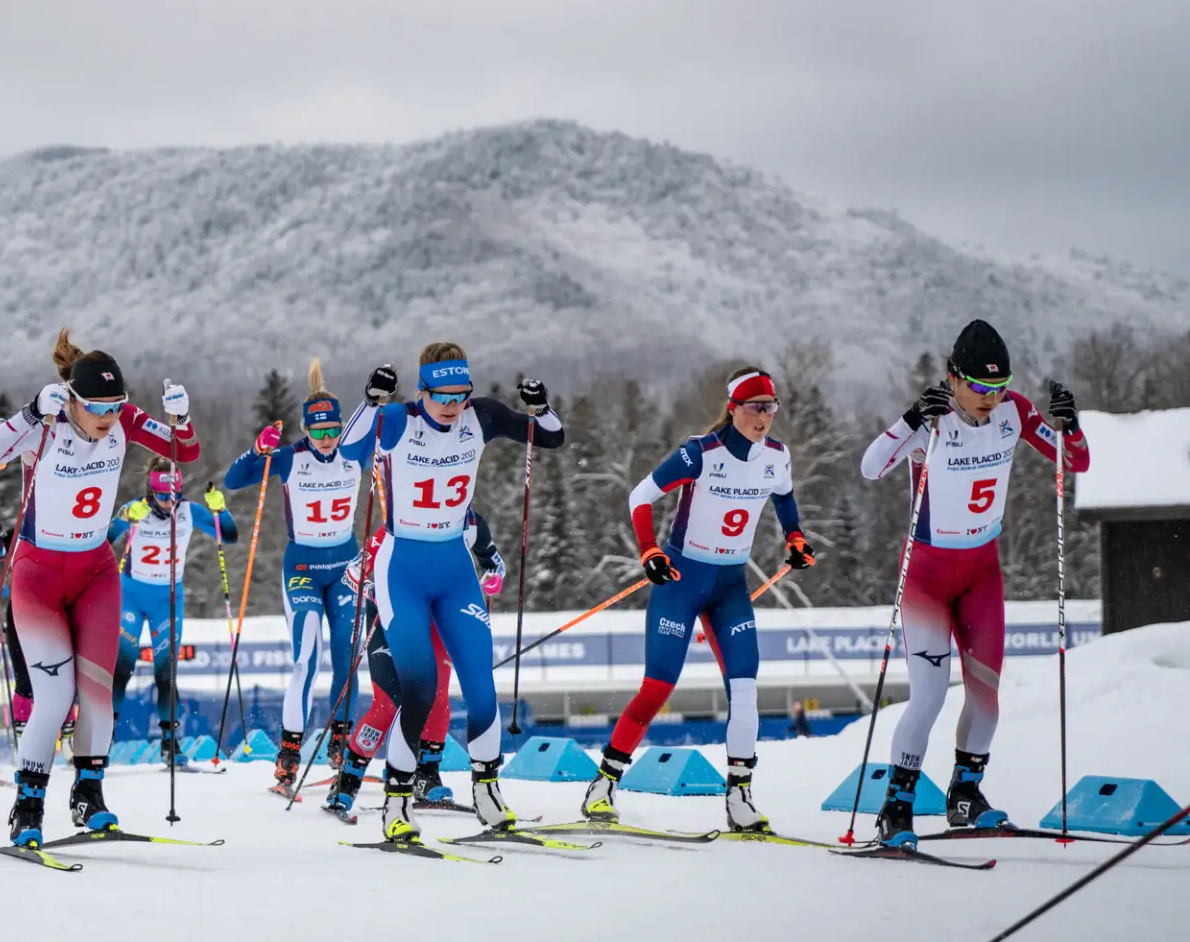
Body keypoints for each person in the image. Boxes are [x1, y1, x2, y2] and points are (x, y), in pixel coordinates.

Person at [859, 319, 1088, 847]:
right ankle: (897, 805)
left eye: (1000, 387)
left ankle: (966, 795)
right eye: (981, 388)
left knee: (986, 698)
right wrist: (910, 418)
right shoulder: (933, 420)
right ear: (953, 377)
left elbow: (1075, 461)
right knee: (930, 697)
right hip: (928, 578)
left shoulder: (1015, 411)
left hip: (982, 574)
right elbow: (872, 468)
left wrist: (1070, 426)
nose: (991, 399)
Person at [0, 328, 199, 848]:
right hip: (38, 573)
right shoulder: (47, 423)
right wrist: (31, 411)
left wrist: (181, 418)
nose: (107, 416)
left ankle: (89, 794)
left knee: (97, 693)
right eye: (96, 406)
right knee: (54, 696)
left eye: (115, 405)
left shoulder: (123, 420)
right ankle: (28, 804)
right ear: (72, 399)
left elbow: (181, 452)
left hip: (96, 571)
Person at [337, 345, 563, 841]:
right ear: (423, 391)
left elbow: (550, 438)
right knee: (417, 690)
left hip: (455, 568)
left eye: (460, 394)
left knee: (481, 686)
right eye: (441, 395)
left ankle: (487, 788)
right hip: (403, 569)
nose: (452, 405)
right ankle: (396, 801)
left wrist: (539, 407)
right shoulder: (400, 419)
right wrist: (371, 402)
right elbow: (349, 450)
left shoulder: (479, 418)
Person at [580, 367, 812, 834]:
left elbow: (784, 499)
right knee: (659, 687)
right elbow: (639, 496)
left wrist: (795, 537)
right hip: (682, 579)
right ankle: (604, 783)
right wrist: (649, 551)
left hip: (730, 585)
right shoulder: (701, 452)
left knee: (745, 687)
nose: (764, 417)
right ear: (734, 408)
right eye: (755, 407)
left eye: (770, 408)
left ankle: (740, 796)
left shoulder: (776, 457)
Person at [223, 359, 364, 788]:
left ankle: (340, 742)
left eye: (333, 430)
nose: (325, 439)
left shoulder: (355, 453)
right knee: (306, 654)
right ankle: (289, 752)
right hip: (302, 565)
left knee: (347, 658)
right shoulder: (291, 459)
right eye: (317, 431)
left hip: (346, 566)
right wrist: (257, 451)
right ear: (305, 429)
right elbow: (233, 479)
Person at [325, 509, 505, 816]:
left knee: (437, 698)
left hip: (439, 619)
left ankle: (426, 775)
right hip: (391, 618)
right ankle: (348, 780)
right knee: (388, 705)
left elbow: (494, 566)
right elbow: (352, 574)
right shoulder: (403, 524)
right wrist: (375, 591)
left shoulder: (471, 524)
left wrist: (492, 581)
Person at [108, 460, 236, 765]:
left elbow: (228, 536)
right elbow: (105, 540)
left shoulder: (189, 512)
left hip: (167, 598)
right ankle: (102, 740)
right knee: (121, 667)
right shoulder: (136, 508)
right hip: (132, 595)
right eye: (164, 496)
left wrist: (221, 510)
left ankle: (170, 743)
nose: (170, 502)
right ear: (151, 492)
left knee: (166, 672)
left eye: (175, 495)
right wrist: (124, 518)